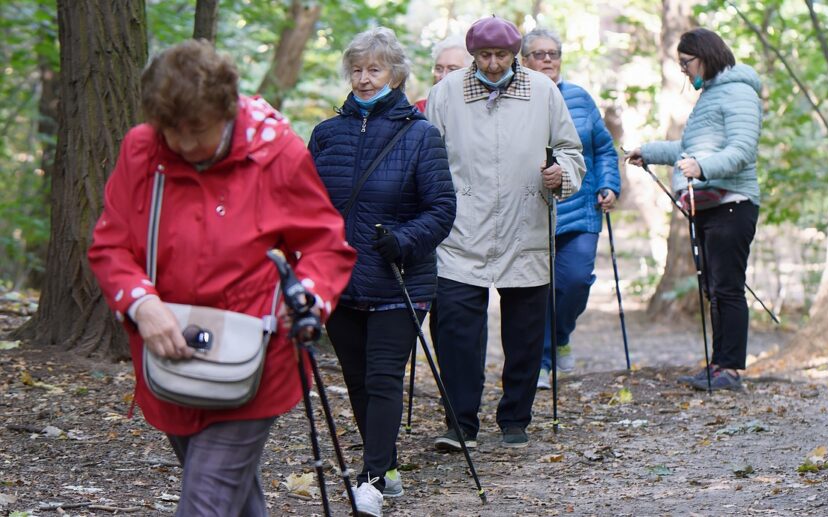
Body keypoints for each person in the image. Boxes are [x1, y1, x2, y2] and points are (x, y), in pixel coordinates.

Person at [87, 40, 356, 516]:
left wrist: (309, 298)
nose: (185, 145)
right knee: (229, 494)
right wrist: (141, 303)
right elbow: (111, 246)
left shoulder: (276, 155)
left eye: (197, 130)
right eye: (172, 130)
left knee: (206, 500)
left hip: (256, 359)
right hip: (171, 356)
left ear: (227, 110)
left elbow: (325, 246)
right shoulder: (143, 149)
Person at [309, 27, 456, 517]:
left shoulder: (420, 135)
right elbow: (306, 206)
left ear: (395, 74)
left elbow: (441, 209)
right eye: (357, 69)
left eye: (374, 69)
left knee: (384, 377)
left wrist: (404, 240)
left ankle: (371, 479)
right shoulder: (327, 135)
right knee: (355, 377)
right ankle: (386, 463)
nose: (364, 78)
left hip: (399, 278)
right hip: (341, 279)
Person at [425, 16, 585, 450]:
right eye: (484, 56)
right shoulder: (446, 94)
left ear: (515, 54)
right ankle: (460, 423)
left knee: (526, 332)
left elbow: (571, 151)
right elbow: (429, 156)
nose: (493, 64)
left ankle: (516, 417)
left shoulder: (543, 91)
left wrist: (561, 175)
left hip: (525, 222)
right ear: (472, 54)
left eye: (501, 56)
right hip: (461, 229)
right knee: (456, 331)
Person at [626, 28, 762, 392]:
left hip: (733, 203)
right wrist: (649, 152)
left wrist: (702, 167)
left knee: (728, 288)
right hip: (709, 206)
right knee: (713, 287)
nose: (684, 71)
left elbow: (742, 150)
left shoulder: (739, 93)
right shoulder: (711, 95)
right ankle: (718, 364)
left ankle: (730, 370)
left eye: (687, 63)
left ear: (705, 55)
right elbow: (688, 148)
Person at [521, 29, 621, 388]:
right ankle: (543, 363)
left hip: (580, 211)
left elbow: (604, 149)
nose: (547, 59)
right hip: (531, 212)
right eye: (538, 54)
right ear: (523, 60)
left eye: (553, 53)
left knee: (575, 282)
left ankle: (559, 337)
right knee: (535, 292)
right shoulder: (519, 99)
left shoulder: (580, 98)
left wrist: (609, 184)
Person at [414, 36, 471, 113]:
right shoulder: (420, 110)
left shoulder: (479, 110)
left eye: (452, 69)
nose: (443, 76)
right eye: (439, 69)